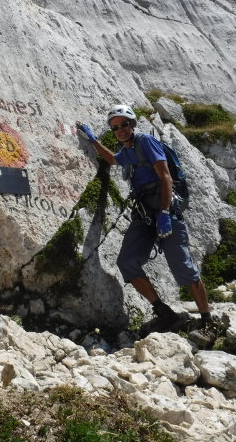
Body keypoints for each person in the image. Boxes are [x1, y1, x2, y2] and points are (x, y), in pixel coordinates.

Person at [77, 105, 216, 346]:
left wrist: (165, 213)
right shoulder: (127, 150)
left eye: (124, 124)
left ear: (132, 124)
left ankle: (208, 323)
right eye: (115, 127)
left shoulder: (145, 142)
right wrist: (93, 140)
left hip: (165, 210)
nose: (120, 130)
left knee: (183, 266)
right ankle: (165, 313)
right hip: (144, 215)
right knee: (127, 262)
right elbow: (112, 159)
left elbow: (165, 176)